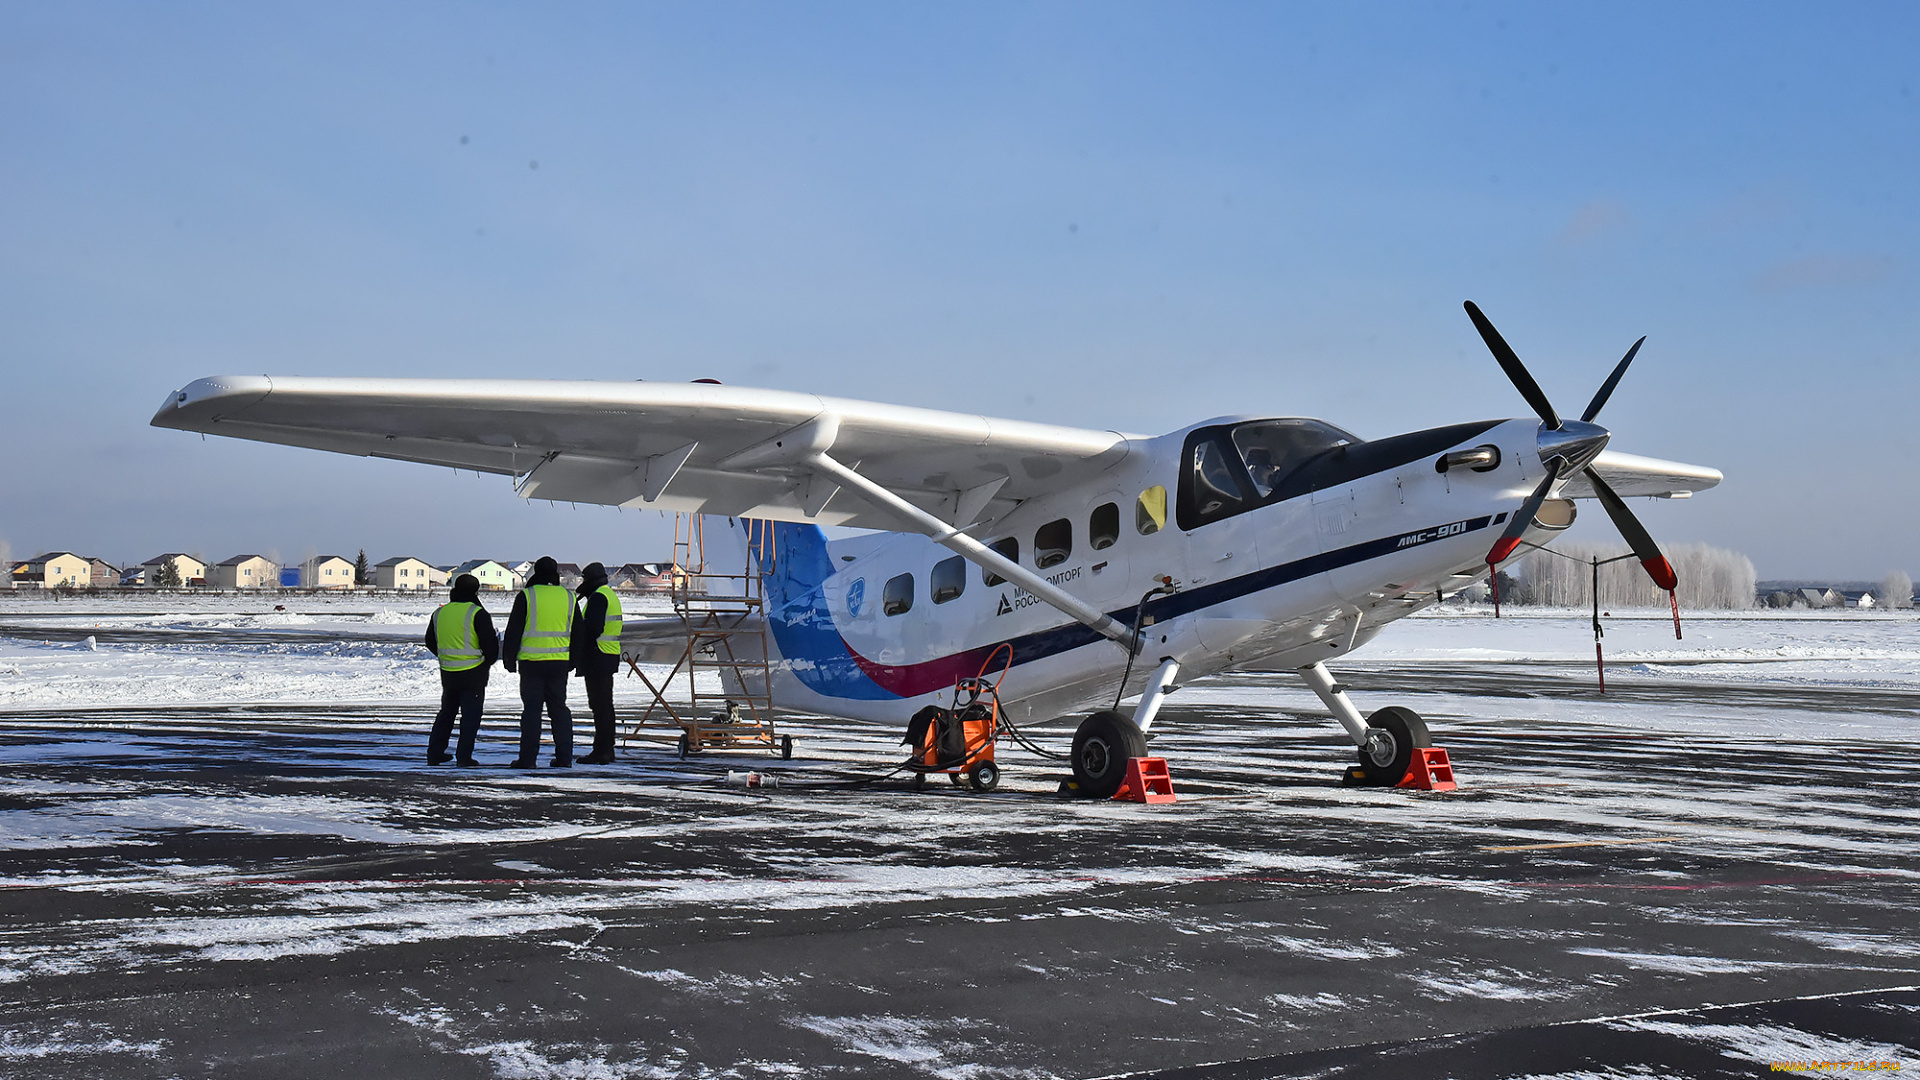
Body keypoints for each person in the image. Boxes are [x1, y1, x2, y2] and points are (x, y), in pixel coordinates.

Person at [501, 556, 574, 768]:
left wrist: (509, 658)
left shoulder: (527, 596)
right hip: (559, 662)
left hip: (531, 663)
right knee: (559, 710)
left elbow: (514, 629)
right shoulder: (568, 597)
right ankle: (564, 758)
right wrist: (574, 660)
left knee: (532, 711)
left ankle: (528, 758)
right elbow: (578, 630)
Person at [422, 573, 499, 766]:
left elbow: (430, 641)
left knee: (446, 713)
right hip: (473, 672)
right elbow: (490, 645)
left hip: (448, 671)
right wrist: (487, 662)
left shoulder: (440, 612)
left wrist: (446, 657)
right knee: (470, 716)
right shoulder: (477, 613)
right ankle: (464, 757)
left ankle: (435, 753)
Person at [571, 562, 623, 764]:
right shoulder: (608, 594)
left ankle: (601, 750)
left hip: (598, 655)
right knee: (604, 706)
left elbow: (593, 628)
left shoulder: (598, 597)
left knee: (600, 706)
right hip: (607, 655)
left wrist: (579, 642)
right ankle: (606, 749)